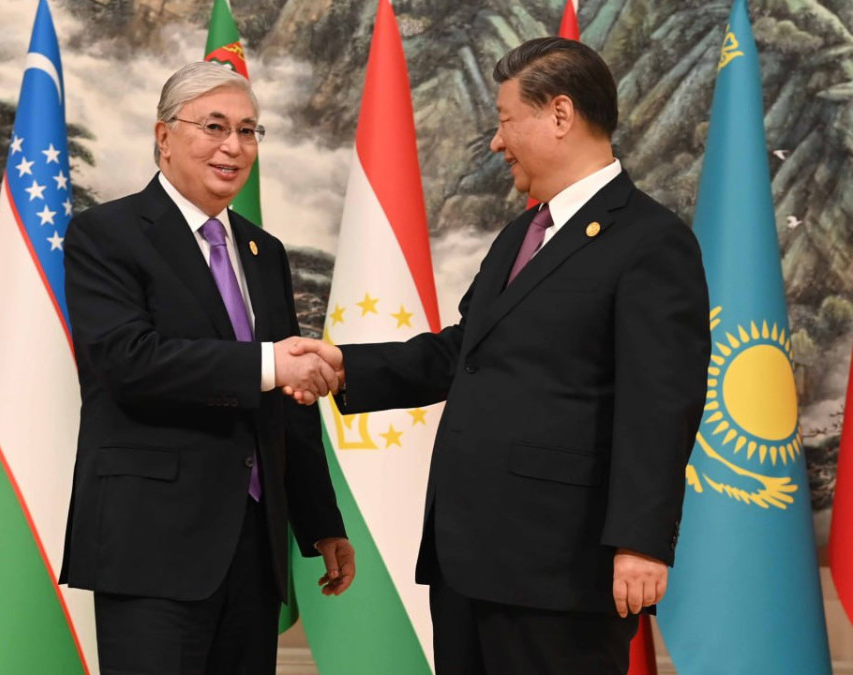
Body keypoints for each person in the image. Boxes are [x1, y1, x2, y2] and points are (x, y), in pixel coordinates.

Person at [293, 37, 711, 674]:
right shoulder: (523, 233)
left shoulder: (651, 242)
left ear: (560, 115)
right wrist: (347, 367)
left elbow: (662, 405)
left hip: (559, 571)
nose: (496, 142)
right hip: (468, 562)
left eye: (505, 120)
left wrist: (641, 543)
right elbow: (467, 350)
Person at [60, 61, 355, 675]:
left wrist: (321, 522)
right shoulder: (106, 234)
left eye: (248, 131)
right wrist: (270, 363)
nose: (233, 146)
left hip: (253, 546)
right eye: (214, 127)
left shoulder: (264, 251)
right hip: (152, 546)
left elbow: (288, 401)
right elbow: (129, 363)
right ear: (164, 136)